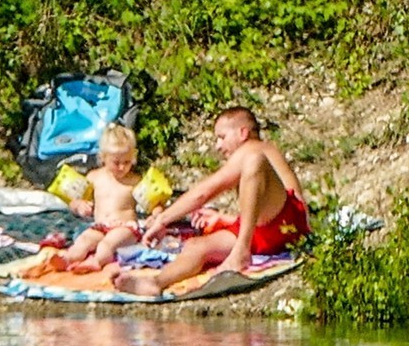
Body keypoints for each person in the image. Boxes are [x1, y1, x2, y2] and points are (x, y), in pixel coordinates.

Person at [112, 106, 309, 297]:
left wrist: (162, 219)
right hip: (268, 230)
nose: (218, 146)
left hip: (290, 222)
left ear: (242, 133)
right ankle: (157, 282)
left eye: (222, 137)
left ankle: (241, 251)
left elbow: (205, 193)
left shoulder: (254, 149)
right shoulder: (247, 158)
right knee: (197, 246)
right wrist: (224, 218)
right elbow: (260, 214)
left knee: (254, 160)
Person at [27, 124, 159, 277]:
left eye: (127, 162)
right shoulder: (94, 177)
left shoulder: (135, 181)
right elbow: (75, 200)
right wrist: (78, 205)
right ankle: (68, 259)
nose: (122, 167)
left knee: (106, 245)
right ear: (103, 157)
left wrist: (155, 216)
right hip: (100, 226)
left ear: (134, 157)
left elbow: (154, 202)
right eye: (116, 162)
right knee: (83, 240)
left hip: (126, 228)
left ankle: (96, 261)